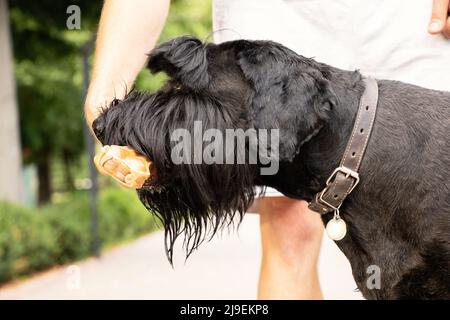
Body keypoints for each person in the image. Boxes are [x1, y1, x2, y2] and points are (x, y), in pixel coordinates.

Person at [85, 0, 450, 299]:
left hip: (416, 15)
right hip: (273, 8)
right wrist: (103, 90)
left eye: (183, 95)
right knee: (289, 223)